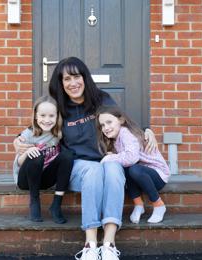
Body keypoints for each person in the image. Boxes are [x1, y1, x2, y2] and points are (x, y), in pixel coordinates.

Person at [14, 57, 158, 260]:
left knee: (115, 169)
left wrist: (146, 130)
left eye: (76, 76)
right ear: (60, 83)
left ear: (84, 77)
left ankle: (109, 243)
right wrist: (18, 140)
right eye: (66, 79)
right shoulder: (60, 107)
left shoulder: (102, 99)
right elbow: (39, 126)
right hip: (77, 167)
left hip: (106, 159)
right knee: (94, 170)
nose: (72, 83)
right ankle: (90, 244)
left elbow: (120, 121)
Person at [96, 106, 170, 224]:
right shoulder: (113, 139)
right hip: (141, 178)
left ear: (121, 120)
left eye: (109, 122)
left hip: (157, 176)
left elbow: (132, 158)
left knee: (133, 168)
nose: (106, 127)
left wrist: (109, 158)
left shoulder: (126, 133)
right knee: (126, 168)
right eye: (102, 125)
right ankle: (139, 205)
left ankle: (158, 205)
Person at [13, 95, 73, 224]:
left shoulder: (58, 133)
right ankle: (34, 201)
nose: (47, 120)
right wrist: (28, 151)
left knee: (67, 155)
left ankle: (56, 205)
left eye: (51, 116)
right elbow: (18, 162)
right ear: (36, 116)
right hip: (26, 180)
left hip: (46, 179)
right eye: (43, 115)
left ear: (57, 117)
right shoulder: (28, 134)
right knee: (36, 155)